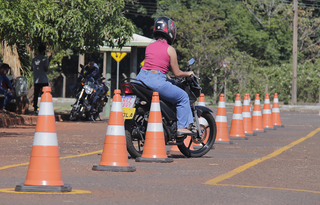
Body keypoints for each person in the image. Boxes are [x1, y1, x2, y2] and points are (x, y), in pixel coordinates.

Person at [136, 16, 194, 135]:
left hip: (140, 78)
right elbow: (177, 73)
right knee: (183, 97)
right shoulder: (170, 49)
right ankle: (181, 128)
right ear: (171, 32)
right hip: (156, 81)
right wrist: (187, 73)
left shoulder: (149, 47)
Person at [31, 44, 49, 113]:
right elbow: (46, 69)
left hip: (36, 79)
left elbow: (31, 68)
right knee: (45, 94)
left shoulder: (34, 59)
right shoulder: (45, 59)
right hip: (43, 79)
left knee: (36, 94)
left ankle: (35, 107)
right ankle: (44, 107)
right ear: (44, 51)